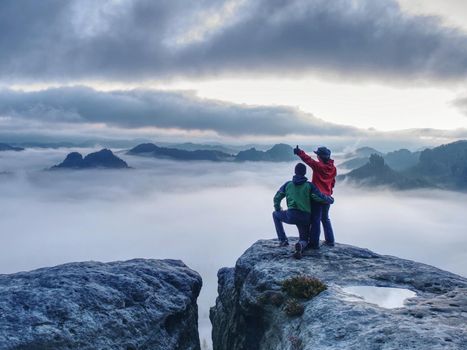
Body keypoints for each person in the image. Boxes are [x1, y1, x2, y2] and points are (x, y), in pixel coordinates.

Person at [273, 163, 334, 258]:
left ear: (295, 172)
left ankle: (283, 240)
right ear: (305, 173)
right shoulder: (309, 186)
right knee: (304, 238)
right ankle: (300, 245)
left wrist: (278, 208)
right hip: (305, 217)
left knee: (275, 215)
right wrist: (330, 199)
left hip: (290, 215)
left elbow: (277, 198)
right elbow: (318, 197)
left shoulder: (287, 184)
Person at [294, 146, 337, 250]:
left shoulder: (319, 166)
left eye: (318, 154)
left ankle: (314, 243)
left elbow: (308, 160)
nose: (316, 156)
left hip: (316, 197)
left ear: (320, 157)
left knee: (316, 220)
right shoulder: (333, 168)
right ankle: (330, 241)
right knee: (325, 219)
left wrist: (299, 152)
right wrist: (329, 193)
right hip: (327, 197)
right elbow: (333, 183)